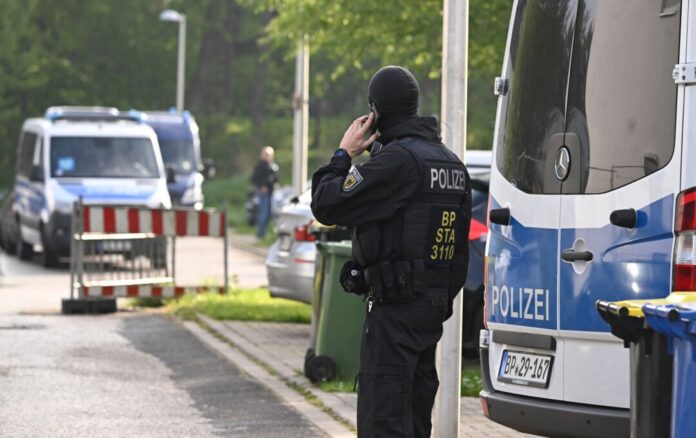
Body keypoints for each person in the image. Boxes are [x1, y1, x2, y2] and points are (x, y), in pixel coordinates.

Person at [311, 66, 471, 437]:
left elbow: (326, 204)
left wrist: (343, 154)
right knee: (415, 420)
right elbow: (459, 254)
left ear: (375, 112)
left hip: (394, 311)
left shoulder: (398, 162)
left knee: (383, 420)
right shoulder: (451, 164)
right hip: (429, 312)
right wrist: (436, 299)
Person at [251, 146, 279, 239]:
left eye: (269, 154)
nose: (267, 156)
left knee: (269, 213)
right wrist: (261, 186)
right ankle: (261, 233)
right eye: (265, 154)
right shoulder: (260, 166)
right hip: (263, 193)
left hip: (272, 192)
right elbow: (254, 178)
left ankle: (265, 232)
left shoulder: (273, 166)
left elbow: (275, 178)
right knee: (263, 213)